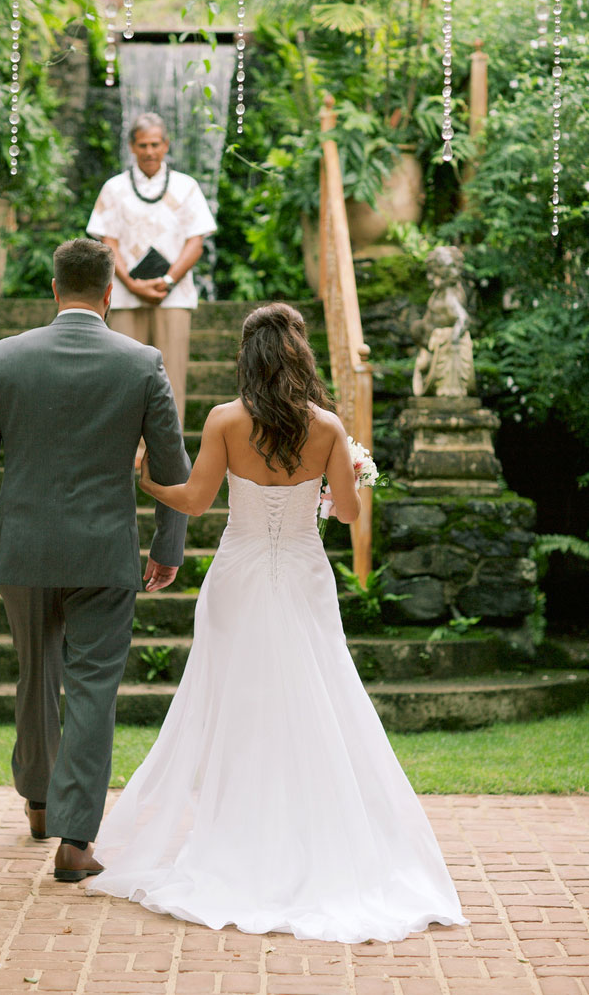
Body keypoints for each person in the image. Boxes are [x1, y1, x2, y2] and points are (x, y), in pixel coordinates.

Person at [89, 303, 467, 944]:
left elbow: (197, 501)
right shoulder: (326, 428)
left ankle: (238, 833)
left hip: (236, 577)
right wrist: (343, 473)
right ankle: (309, 834)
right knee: (317, 698)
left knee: (236, 704)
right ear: (299, 356)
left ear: (249, 358)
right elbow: (346, 515)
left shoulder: (225, 421)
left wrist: (149, 482)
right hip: (302, 576)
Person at [0, 238, 191, 883]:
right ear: (110, 293)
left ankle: (37, 800)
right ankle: (75, 842)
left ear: (55, 291)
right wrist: (166, 547)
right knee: (92, 688)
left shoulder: (7, 357)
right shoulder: (142, 363)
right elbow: (172, 469)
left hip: (23, 550)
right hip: (104, 553)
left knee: (36, 671)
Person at [86, 111, 217, 430]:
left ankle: (168, 455)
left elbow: (195, 242)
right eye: (143, 145)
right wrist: (131, 283)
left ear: (166, 145)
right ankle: (127, 451)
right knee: (124, 375)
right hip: (127, 295)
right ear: (131, 146)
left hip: (173, 296)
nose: (149, 151)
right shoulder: (115, 188)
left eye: (155, 144)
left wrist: (168, 280)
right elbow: (108, 241)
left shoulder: (187, 187)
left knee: (172, 376)